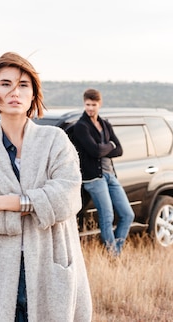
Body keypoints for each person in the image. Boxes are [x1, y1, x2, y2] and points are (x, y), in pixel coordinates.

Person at [0, 52, 92, 322]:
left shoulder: (55, 141)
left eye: (23, 85)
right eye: (5, 84)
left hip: (49, 268)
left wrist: (0, 202)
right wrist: (40, 207)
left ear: (33, 94)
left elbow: (68, 199)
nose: (14, 92)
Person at [70, 88, 134, 256]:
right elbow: (94, 151)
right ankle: (114, 256)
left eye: (94, 105)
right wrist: (109, 146)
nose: (90, 108)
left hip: (110, 175)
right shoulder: (81, 127)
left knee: (128, 214)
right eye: (87, 104)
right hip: (93, 178)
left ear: (100, 104)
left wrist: (106, 147)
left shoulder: (105, 124)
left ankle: (116, 251)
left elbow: (119, 149)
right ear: (84, 104)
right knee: (107, 217)